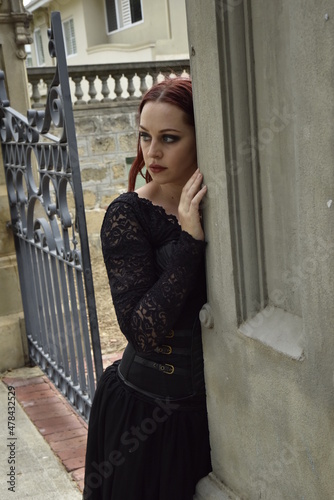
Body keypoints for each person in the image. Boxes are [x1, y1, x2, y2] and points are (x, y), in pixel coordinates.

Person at [83, 77, 212, 500]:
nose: (151, 153)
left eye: (168, 138)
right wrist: (189, 244)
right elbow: (141, 330)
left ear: (202, 137)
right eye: (144, 136)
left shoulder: (226, 201)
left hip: (217, 412)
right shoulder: (128, 215)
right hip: (146, 418)